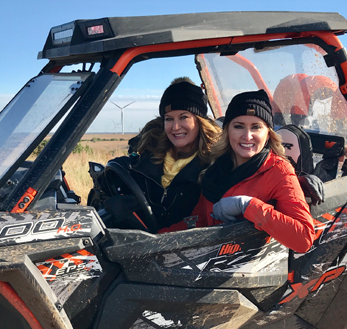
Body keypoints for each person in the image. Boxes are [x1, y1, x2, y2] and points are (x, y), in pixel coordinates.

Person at [164, 89, 315, 253]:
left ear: (268, 134)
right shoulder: (215, 168)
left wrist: (247, 205)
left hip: (247, 271)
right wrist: (157, 240)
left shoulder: (278, 171)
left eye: (256, 127)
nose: (247, 136)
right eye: (239, 126)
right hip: (210, 263)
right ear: (228, 131)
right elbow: (198, 221)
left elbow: (304, 238)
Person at [101, 78, 221, 231]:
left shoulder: (215, 166)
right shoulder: (146, 156)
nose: (176, 127)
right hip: (138, 241)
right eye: (169, 119)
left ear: (199, 121)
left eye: (184, 117)